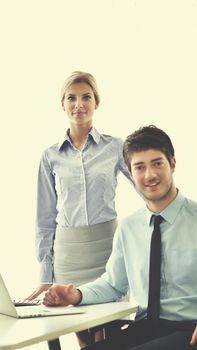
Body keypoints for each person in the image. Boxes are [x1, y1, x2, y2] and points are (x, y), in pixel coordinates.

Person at [43, 125, 197, 350]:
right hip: (145, 329)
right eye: (139, 167)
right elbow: (113, 284)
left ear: (173, 163)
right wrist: (76, 294)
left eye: (157, 163)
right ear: (131, 173)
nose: (149, 175)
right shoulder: (129, 228)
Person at [27, 71, 134, 347]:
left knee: (109, 331)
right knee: (82, 333)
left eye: (86, 97)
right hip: (69, 254)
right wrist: (46, 273)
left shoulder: (115, 147)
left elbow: (146, 189)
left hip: (107, 250)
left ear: (96, 102)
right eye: (71, 98)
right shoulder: (50, 156)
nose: (79, 104)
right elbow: (45, 218)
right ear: (62, 104)